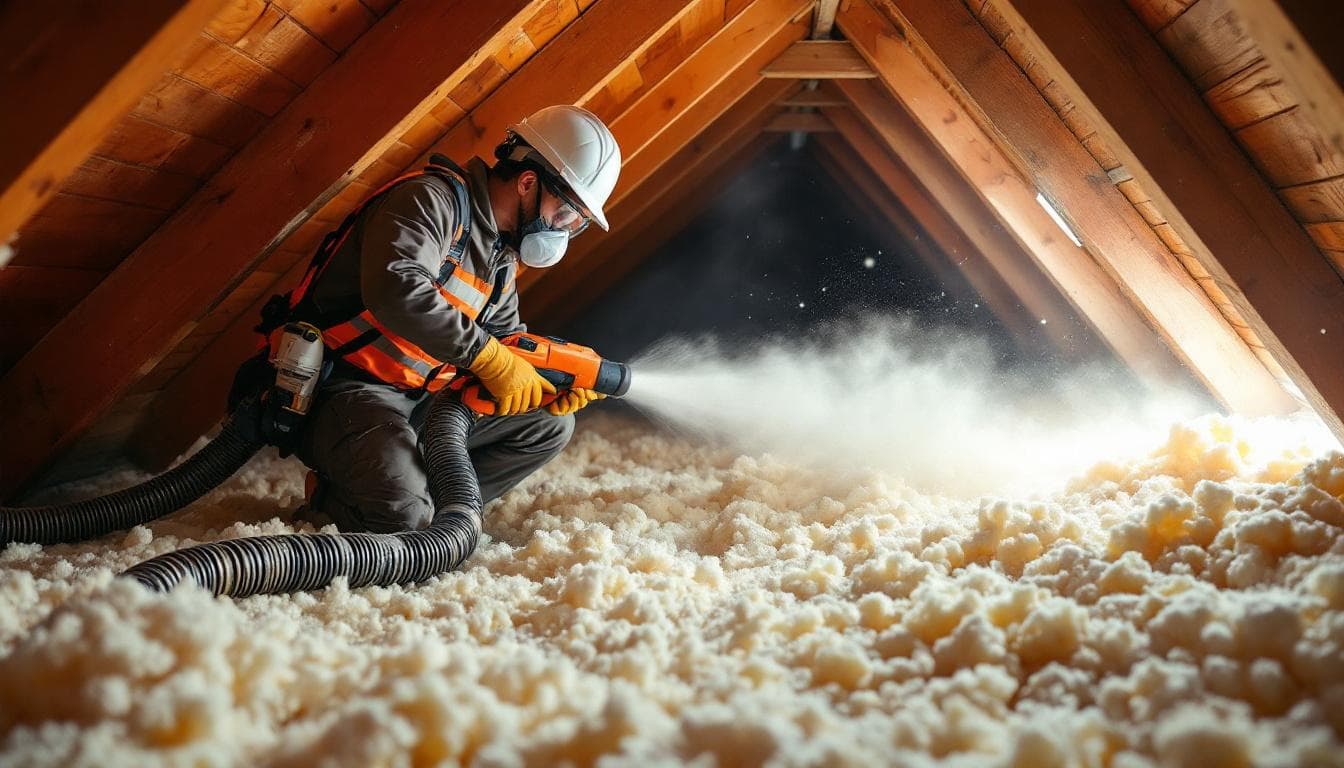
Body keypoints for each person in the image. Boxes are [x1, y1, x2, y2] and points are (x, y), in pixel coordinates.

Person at [288, 105, 621, 533]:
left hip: (420, 399)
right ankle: (335, 498)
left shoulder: (500, 257)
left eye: (576, 222)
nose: (564, 228)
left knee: (548, 425)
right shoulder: (430, 201)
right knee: (403, 519)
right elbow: (397, 289)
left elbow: (507, 344)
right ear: (527, 182)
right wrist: (490, 359)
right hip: (349, 391)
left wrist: (551, 380)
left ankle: (443, 505)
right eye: (564, 213)